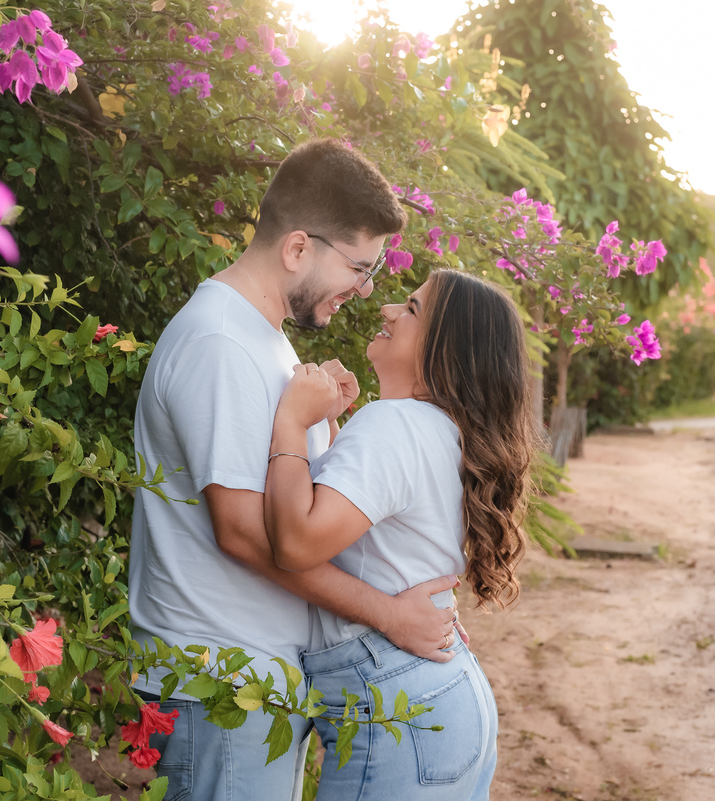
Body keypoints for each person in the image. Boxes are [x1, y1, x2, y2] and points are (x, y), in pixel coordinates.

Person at [128, 140, 466, 801]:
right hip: (219, 680)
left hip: (252, 680)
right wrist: (389, 616)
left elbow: (295, 502)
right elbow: (243, 531)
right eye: (359, 268)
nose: (367, 291)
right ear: (297, 249)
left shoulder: (266, 338)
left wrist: (327, 423)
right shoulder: (221, 342)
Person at [264, 269, 536, 800]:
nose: (388, 310)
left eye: (411, 309)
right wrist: (333, 431)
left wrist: (293, 424)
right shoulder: (438, 429)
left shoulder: (394, 426)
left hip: (398, 705)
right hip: (442, 697)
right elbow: (372, 528)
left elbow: (295, 543)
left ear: (444, 350)